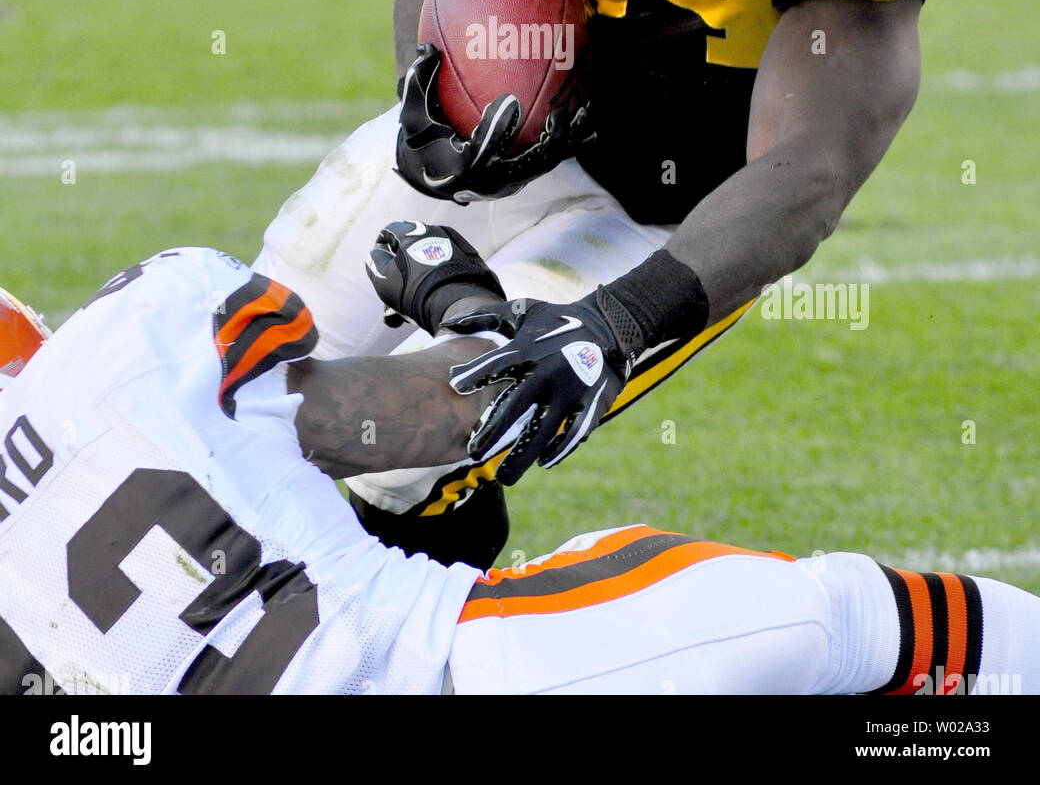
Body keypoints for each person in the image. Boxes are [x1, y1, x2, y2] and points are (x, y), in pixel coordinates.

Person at [257, 0, 970, 557]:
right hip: (522, 131)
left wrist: (617, 325)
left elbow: (808, 168)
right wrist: (430, 96)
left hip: (675, 222)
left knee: (400, 447)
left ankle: (393, 648)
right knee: (252, 343)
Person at [1, 247, 1037, 696]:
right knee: (844, 622)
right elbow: (445, 413)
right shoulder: (133, 341)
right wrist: (458, 300)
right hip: (473, 671)